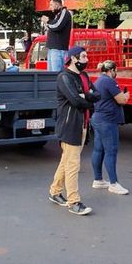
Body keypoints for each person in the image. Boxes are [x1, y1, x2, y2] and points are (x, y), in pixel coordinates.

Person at [48, 46, 100, 216]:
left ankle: (55, 192)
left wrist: (86, 96)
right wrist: (87, 98)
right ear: (73, 59)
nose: (87, 60)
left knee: (67, 160)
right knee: (72, 164)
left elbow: (97, 94)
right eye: (84, 57)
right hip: (70, 126)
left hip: (83, 124)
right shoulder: (64, 77)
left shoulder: (83, 76)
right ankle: (74, 201)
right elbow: (76, 100)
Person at [91, 60, 130, 195]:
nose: (116, 73)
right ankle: (113, 183)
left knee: (98, 150)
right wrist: (126, 96)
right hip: (108, 121)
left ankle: (98, 180)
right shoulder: (109, 81)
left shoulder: (98, 81)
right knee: (111, 151)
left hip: (98, 118)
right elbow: (121, 100)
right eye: (115, 71)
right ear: (111, 70)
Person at [41, 0, 72, 72]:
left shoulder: (64, 12)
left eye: (51, 5)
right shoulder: (57, 16)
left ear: (57, 4)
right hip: (53, 50)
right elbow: (54, 25)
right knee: (51, 76)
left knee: (56, 75)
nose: (50, 7)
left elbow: (57, 26)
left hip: (58, 50)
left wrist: (47, 21)